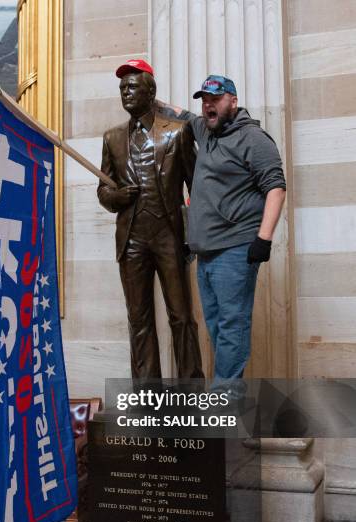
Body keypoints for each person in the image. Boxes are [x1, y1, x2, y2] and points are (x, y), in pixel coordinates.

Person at [158, 75, 286, 383]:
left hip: (236, 249)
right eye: (204, 100)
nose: (207, 105)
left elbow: (276, 188)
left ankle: (223, 411)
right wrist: (149, 97)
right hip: (207, 252)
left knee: (232, 328)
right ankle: (233, 414)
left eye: (215, 99)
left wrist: (263, 239)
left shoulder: (253, 138)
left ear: (233, 101)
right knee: (217, 327)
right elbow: (180, 115)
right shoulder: (206, 130)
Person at [97, 59, 203, 380]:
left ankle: (192, 391)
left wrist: (195, 235)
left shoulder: (178, 133)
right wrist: (115, 197)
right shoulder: (112, 138)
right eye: (122, 89)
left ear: (150, 90)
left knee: (181, 317)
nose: (125, 93)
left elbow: (197, 187)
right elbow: (103, 189)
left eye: (132, 87)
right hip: (131, 241)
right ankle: (147, 395)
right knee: (139, 320)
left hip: (169, 237)